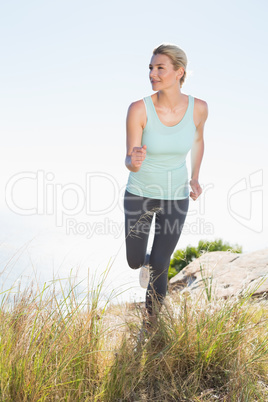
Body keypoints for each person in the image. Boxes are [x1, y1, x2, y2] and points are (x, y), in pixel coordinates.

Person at [124, 43, 208, 326]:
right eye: (151, 68)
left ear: (178, 72)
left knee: (161, 264)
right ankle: (143, 261)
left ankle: (152, 329)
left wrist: (195, 176)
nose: (153, 73)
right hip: (139, 194)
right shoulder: (139, 109)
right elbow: (130, 159)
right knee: (136, 261)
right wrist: (133, 160)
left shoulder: (199, 109)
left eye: (160, 68)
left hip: (176, 196)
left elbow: (197, 141)